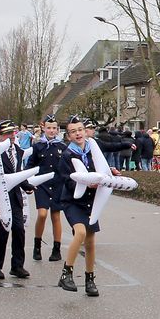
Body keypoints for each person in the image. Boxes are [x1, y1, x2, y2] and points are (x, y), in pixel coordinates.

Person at [56, 117, 107, 297]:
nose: (78, 133)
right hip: (73, 201)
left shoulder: (93, 150)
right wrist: (87, 183)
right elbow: (67, 180)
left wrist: (110, 174)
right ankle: (66, 273)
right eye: (73, 131)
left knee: (91, 242)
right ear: (68, 136)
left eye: (80, 129)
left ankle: (89, 279)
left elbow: (101, 169)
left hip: (91, 201)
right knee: (80, 233)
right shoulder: (67, 155)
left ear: (85, 131)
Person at [0, 120, 31, 282]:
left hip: (15, 197)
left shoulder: (18, 151)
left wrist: (27, 185)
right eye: (7, 133)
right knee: (0, 231)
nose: (11, 136)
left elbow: (18, 173)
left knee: (19, 230)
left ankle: (17, 265)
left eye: (13, 133)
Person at [25, 115, 68, 262]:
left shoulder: (62, 147)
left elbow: (67, 167)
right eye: (49, 128)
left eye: (54, 128)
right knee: (42, 214)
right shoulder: (38, 146)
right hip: (42, 184)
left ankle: (56, 249)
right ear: (43, 128)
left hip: (57, 185)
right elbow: (30, 165)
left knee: (56, 216)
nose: (51, 130)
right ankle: (37, 245)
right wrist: (27, 182)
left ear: (58, 130)